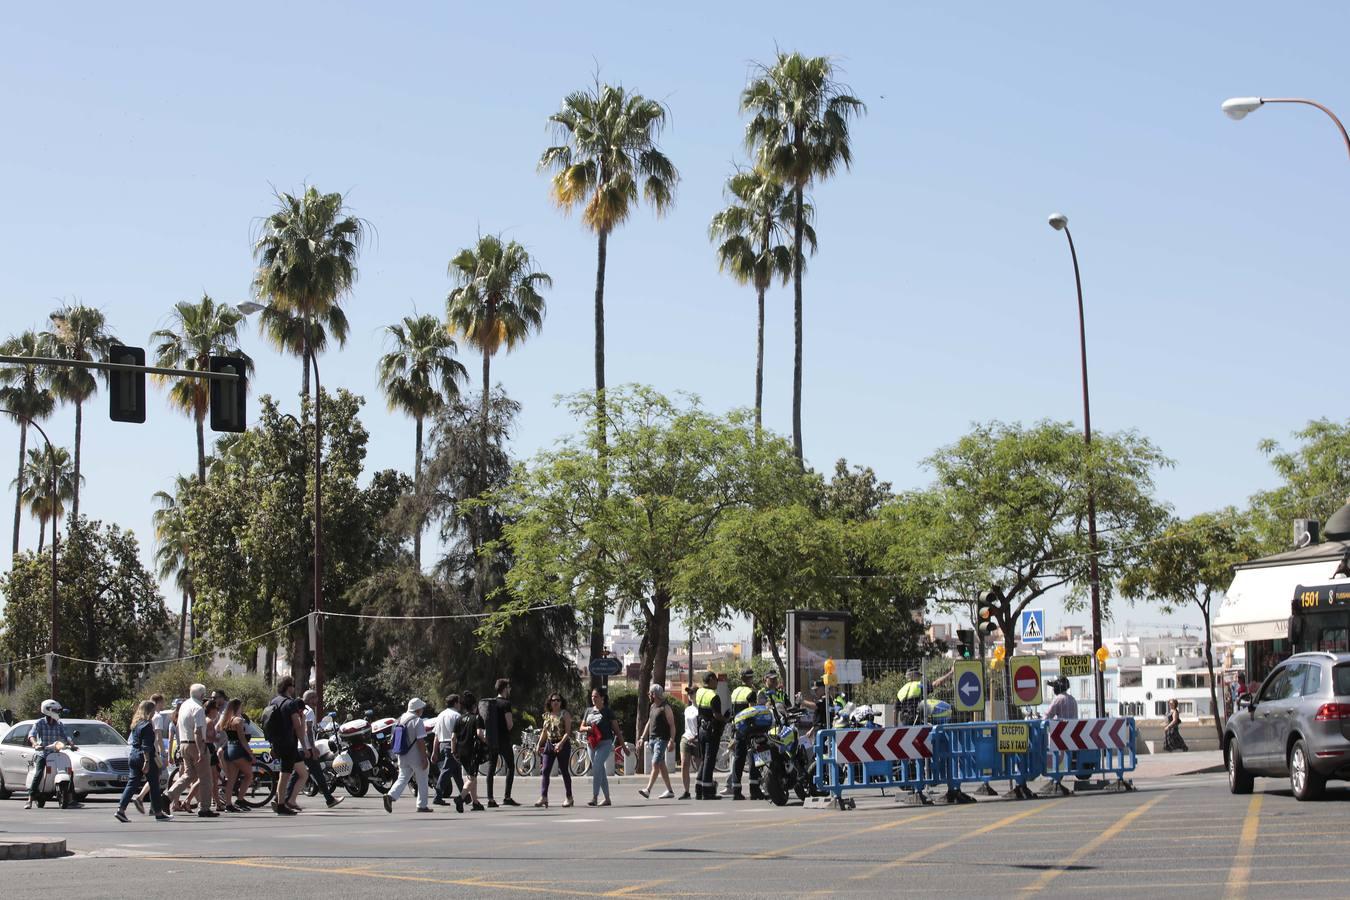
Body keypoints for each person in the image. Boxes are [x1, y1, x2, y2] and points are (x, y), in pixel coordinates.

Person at [116, 700, 172, 823]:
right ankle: (158, 813)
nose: (154, 713)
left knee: (132, 784)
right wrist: (147, 761)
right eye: (153, 710)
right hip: (145, 757)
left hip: (134, 755)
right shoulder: (147, 725)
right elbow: (146, 745)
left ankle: (121, 810)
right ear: (149, 711)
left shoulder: (135, 724)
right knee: (154, 785)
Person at [166, 684, 215, 817]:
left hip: (183, 744)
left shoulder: (184, 705)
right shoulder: (198, 709)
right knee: (205, 778)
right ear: (201, 695)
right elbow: (198, 731)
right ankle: (204, 808)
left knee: (188, 775)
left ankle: (168, 796)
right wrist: (201, 750)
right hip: (196, 744)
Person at [265, 675, 308, 816]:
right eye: (293, 686)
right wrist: (305, 746)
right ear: (289, 687)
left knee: (303, 773)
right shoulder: (291, 704)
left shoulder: (274, 701)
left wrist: (272, 745)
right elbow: (297, 727)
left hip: (278, 743)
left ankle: (288, 800)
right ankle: (281, 804)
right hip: (288, 743)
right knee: (284, 776)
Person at [26, 699, 77, 810]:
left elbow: (65, 736)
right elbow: (31, 735)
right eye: (55, 710)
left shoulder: (59, 724)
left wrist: (72, 744)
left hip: (55, 752)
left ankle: (71, 797)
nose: (57, 713)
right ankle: (30, 798)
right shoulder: (39, 723)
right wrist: (35, 744)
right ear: (48, 710)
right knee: (39, 773)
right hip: (42, 752)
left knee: (69, 771)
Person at [383, 698, 432, 814]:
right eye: (421, 708)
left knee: (403, 777)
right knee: (422, 779)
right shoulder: (417, 721)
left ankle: (390, 796)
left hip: (402, 754)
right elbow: (420, 741)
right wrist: (424, 757)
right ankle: (422, 805)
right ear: (417, 709)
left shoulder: (400, 719)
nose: (422, 710)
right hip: (415, 755)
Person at [301, 690, 344, 809]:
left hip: (300, 746)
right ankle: (329, 799)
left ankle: (280, 799)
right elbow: (308, 730)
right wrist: (313, 747)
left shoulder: (300, 710)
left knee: (297, 774)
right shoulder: (309, 711)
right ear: (311, 699)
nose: (317, 701)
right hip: (307, 747)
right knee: (316, 773)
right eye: (316, 699)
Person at [583, 687, 624, 807]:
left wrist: (624, 747)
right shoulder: (588, 711)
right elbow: (581, 727)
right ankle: (607, 799)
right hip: (591, 744)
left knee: (596, 766)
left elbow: (617, 730)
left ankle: (594, 797)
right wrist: (588, 728)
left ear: (602, 698)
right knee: (600, 770)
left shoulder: (608, 712)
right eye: (592, 696)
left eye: (596, 696)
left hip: (605, 743)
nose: (593, 699)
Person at [482, 678, 518, 808]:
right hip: (503, 740)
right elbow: (509, 725)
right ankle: (507, 797)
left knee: (491, 768)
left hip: (492, 739)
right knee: (510, 766)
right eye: (508, 688)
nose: (510, 690)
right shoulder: (505, 703)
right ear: (504, 689)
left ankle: (490, 799)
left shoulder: (490, 703)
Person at [637, 684, 676, 800]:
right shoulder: (653, 707)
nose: (649, 695)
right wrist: (642, 737)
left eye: (650, 693)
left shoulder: (666, 707)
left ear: (654, 694)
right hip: (652, 739)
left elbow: (672, 725)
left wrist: (672, 740)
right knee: (661, 765)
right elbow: (649, 722)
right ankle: (670, 791)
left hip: (661, 740)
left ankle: (648, 790)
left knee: (655, 763)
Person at [535, 692, 573, 808]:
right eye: (553, 700)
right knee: (545, 771)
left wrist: (561, 744)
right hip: (549, 745)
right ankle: (543, 797)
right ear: (550, 702)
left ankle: (569, 797)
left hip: (562, 744)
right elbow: (544, 732)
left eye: (558, 700)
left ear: (561, 702)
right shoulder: (547, 715)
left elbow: (568, 732)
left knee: (564, 771)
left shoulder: (564, 714)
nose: (555, 702)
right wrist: (538, 745)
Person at [135, 693, 171, 813]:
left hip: (148, 750)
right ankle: (144, 799)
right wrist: (163, 753)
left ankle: (152, 806)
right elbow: (159, 736)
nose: (163, 704)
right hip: (155, 752)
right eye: (163, 702)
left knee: (154, 778)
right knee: (155, 778)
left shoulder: (145, 717)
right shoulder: (158, 717)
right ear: (159, 702)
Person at [722, 669, 756, 797]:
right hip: (749, 729)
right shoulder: (750, 692)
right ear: (750, 678)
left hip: (737, 729)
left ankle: (736, 789)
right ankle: (754, 789)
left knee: (738, 759)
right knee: (753, 758)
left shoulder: (735, 692)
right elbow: (753, 711)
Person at [693, 672, 724, 801]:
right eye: (716, 680)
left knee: (704, 759)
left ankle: (699, 789)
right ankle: (707, 792)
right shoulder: (714, 696)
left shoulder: (699, 692)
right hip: (711, 730)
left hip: (701, 729)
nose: (717, 682)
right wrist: (726, 719)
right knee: (709, 760)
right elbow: (717, 716)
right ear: (711, 680)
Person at [452, 690, 485, 811]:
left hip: (460, 751)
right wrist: (488, 742)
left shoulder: (459, 719)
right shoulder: (477, 718)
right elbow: (480, 734)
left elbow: (453, 737)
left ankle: (475, 802)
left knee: (471, 777)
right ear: (475, 706)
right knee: (472, 777)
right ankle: (460, 798)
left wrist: (453, 751)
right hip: (472, 752)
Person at [431, 694, 465, 810]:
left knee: (456, 772)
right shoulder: (456, 716)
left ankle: (465, 796)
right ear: (455, 703)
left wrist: (434, 751)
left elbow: (436, 735)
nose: (460, 705)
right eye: (459, 702)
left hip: (442, 744)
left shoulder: (441, 715)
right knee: (446, 771)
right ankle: (437, 796)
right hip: (452, 745)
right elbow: (458, 735)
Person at [220, 698, 254, 812]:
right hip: (237, 749)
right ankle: (240, 799)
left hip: (229, 748)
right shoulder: (238, 720)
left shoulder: (227, 720)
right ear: (238, 707)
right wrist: (251, 753)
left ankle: (228, 804)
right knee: (249, 775)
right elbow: (243, 739)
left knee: (231, 779)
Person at [678, 684, 699, 800]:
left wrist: (696, 736)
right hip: (686, 738)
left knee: (699, 765)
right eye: (689, 693)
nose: (690, 695)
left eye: (692, 693)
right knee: (684, 764)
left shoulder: (701, 708)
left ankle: (701, 787)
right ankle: (686, 791)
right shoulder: (687, 709)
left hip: (697, 739)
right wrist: (688, 737)